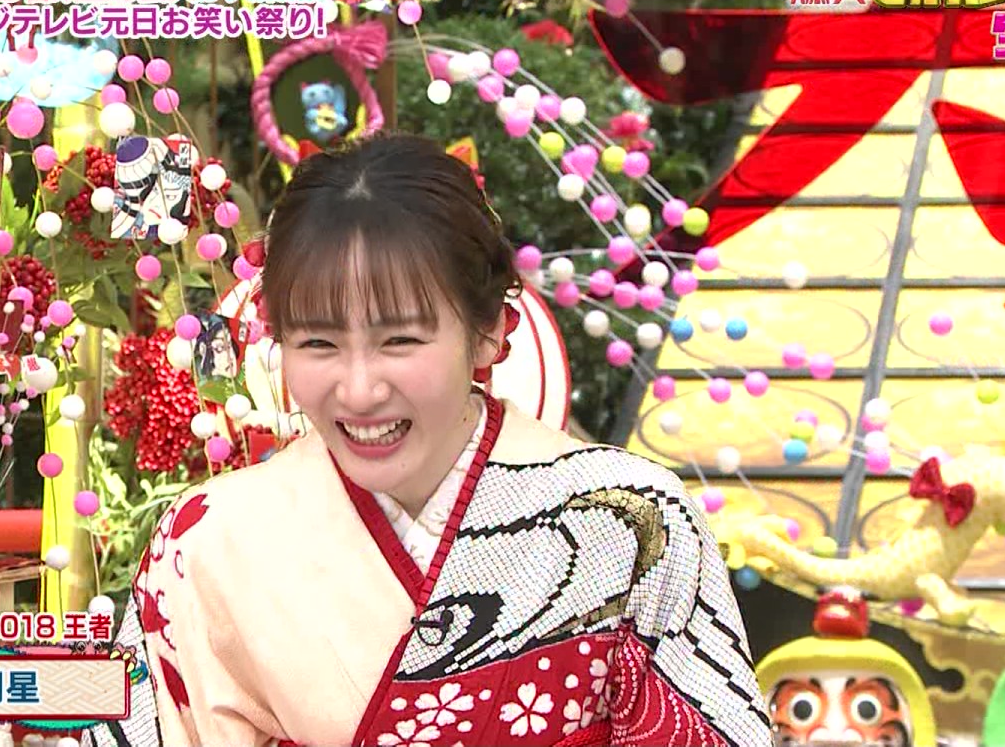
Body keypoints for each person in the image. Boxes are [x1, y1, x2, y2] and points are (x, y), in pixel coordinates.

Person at [83, 133, 770, 747]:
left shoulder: (631, 521)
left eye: (400, 341)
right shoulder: (206, 540)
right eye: (318, 342)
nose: (359, 391)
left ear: (489, 330)